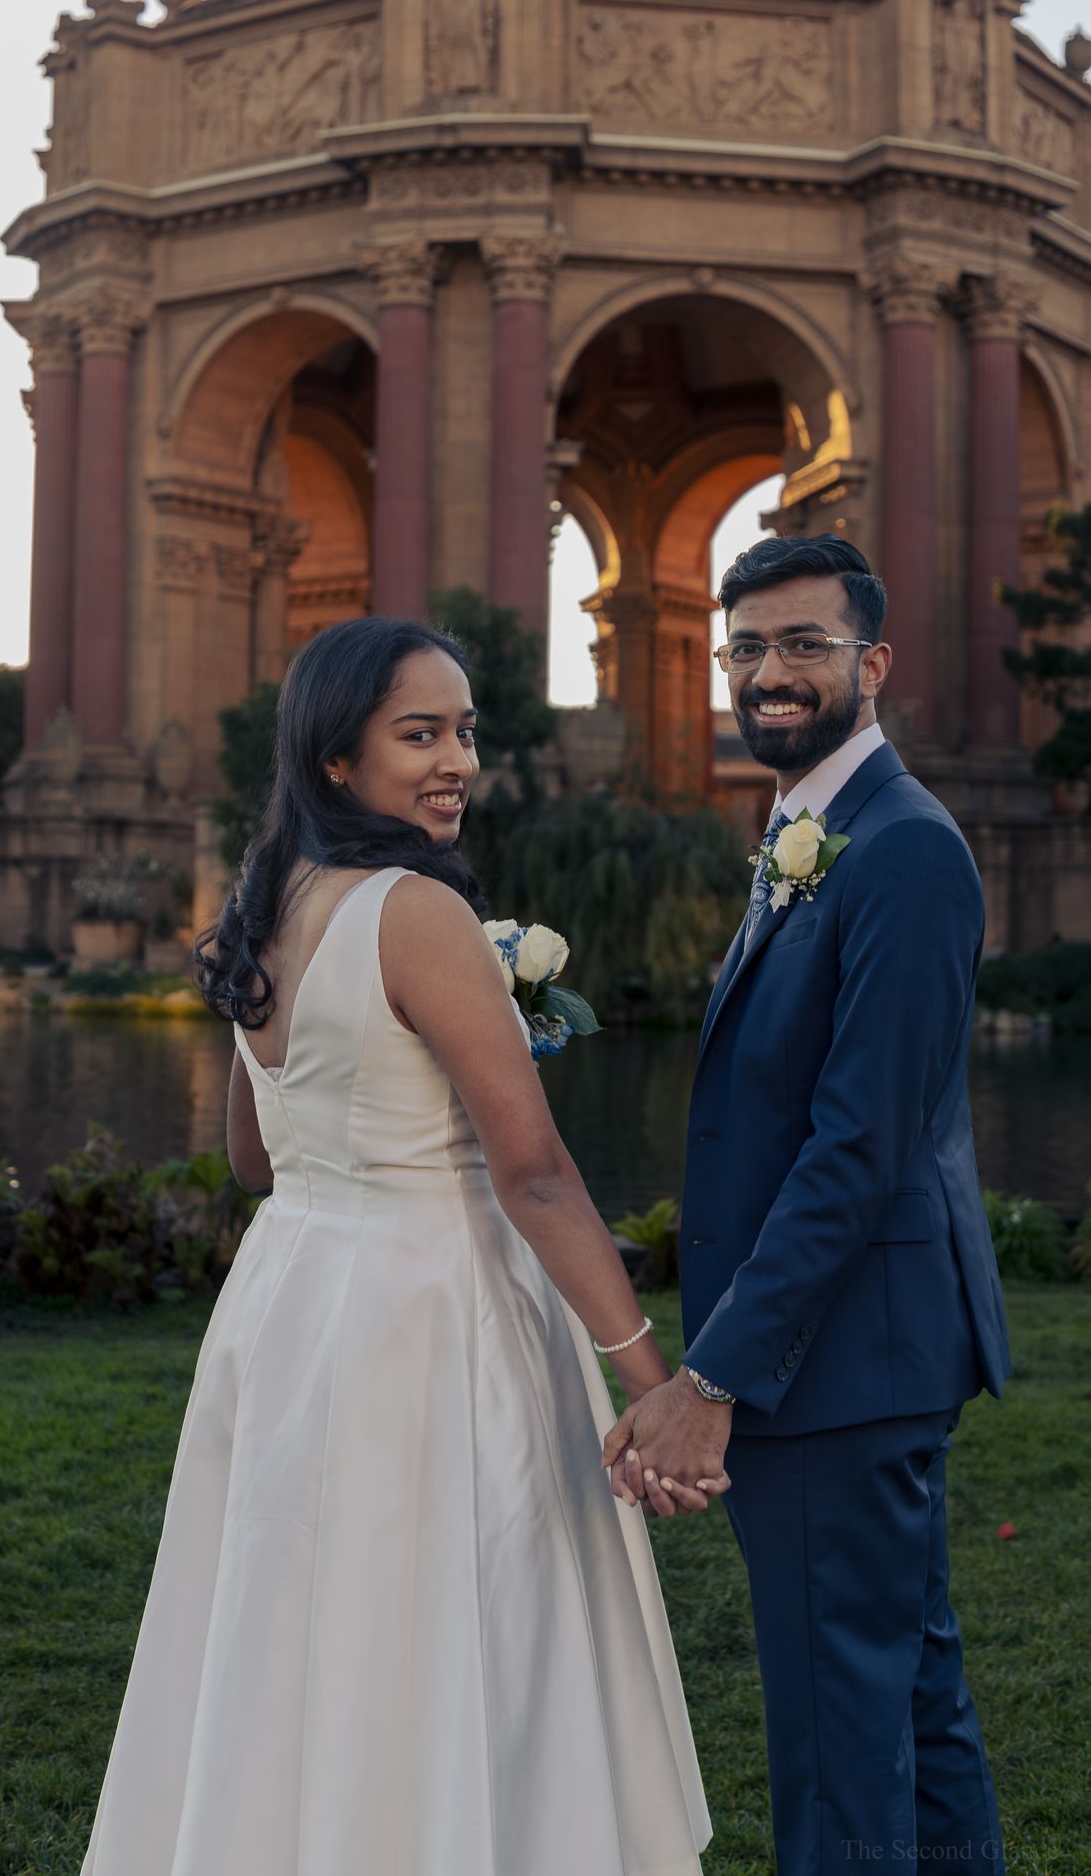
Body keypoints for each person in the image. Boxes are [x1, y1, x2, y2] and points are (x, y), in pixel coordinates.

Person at [77, 615, 714, 1876]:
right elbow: (530, 1171)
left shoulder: (257, 909)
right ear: (333, 759)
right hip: (434, 1301)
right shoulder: (415, 911)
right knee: (455, 1600)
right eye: (417, 733)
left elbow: (253, 1160)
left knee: (303, 1608)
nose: (455, 759)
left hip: (296, 1299)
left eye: (464, 731)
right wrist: (664, 1385)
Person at [603, 535, 1010, 1871]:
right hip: (856, 1350)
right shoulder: (806, 832)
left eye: (803, 646)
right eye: (748, 649)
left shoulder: (898, 849)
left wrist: (714, 1374)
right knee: (904, 1697)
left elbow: (858, 1149)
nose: (769, 675)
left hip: (841, 1360)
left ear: (869, 663)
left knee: (839, 1745)